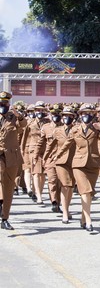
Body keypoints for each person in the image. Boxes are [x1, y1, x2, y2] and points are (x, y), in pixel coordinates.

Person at [54, 103, 100, 232]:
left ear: (93, 115)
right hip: (78, 164)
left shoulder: (96, 128)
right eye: (84, 113)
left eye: (89, 113)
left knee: (89, 192)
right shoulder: (75, 129)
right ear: (80, 115)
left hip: (93, 164)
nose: (86, 116)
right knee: (85, 191)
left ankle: (83, 219)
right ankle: (89, 221)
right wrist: (57, 156)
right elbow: (67, 144)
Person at [44, 106, 76, 223]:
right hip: (60, 161)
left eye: (69, 116)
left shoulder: (77, 129)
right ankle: (65, 214)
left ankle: (66, 207)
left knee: (71, 186)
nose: (67, 118)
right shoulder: (57, 130)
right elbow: (50, 145)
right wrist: (45, 157)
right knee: (64, 185)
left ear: (73, 117)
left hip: (74, 161)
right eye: (65, 116)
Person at [0, 91, 27, 230]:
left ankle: (5, 218)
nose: (2, 104)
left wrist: (19, 116)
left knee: (9, 188)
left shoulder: (14, 117)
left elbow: (23, 126)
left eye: (5, 102)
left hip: (11, 156)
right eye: (1, 102)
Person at [33, 104, 63, 213]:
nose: (56, 115)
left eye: (58, 113)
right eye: (54, 113)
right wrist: (36, 156)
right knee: (52, 180)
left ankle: (59, 202)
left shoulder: (65, 126)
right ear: (50, 114)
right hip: (50, 158)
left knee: (61, 182)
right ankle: (54, 201)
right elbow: (40, 143)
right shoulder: (46, 128)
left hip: (63, 159)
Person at [28, 101, 50, 204]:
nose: (39, 112)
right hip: (33, 149)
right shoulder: (30, 122)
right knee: (36, 173)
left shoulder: (48, 122)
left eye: (41, 110)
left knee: (42, 175)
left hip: (45, 149)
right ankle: (39, 196)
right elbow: (24, 137)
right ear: (35, 111)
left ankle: (39, 192)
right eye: (38, 110)